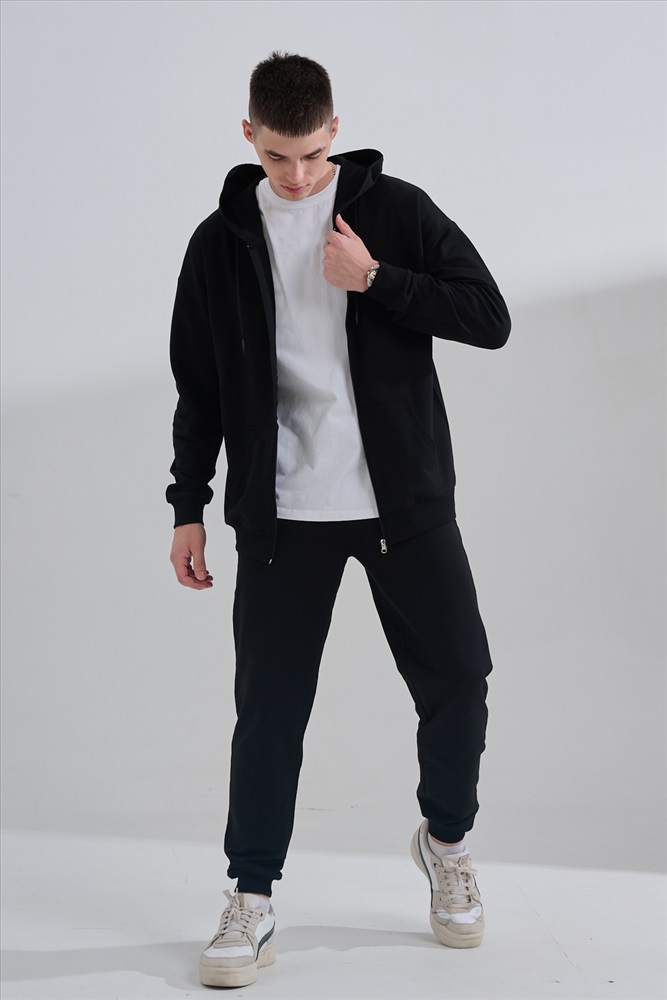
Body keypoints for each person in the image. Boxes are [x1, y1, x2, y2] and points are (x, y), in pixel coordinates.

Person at [167, 51, 511, 990]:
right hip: (283, 513)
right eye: (277, 157)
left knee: (459, 678)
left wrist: (377, 279)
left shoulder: (394, 211)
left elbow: (488, 317)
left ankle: (445, 844)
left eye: (313, 155)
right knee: (269, 712)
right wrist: (188, 505)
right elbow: (198, 386)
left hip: (404, 503)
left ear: (334, 130)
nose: (297, 176)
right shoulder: (219, 241)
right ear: (249, 136)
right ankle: (251, 898)